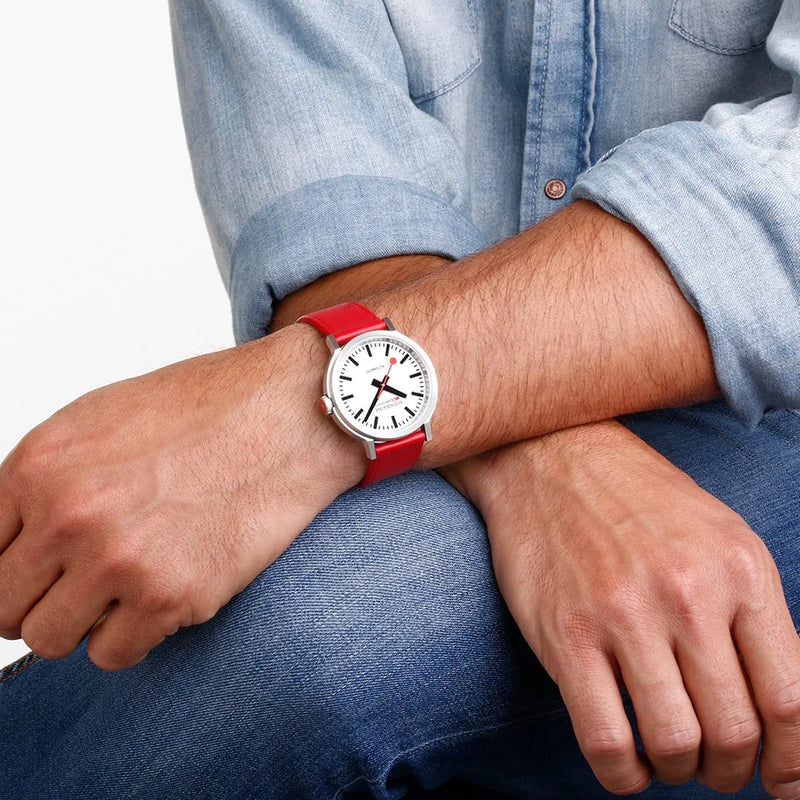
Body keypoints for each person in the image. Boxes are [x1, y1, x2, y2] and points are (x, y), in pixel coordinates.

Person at [1, 1, 799, 798]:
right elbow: (334, 208)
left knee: (312, 636)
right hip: (427, 456)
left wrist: (284, 407)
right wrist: (550, 458)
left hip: (769, 407)